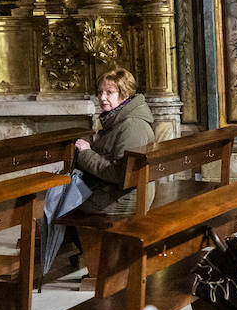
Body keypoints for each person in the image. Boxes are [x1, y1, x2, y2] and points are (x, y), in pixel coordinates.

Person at [36, 68, 156, 276]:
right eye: (100, 92)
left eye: (109, 93)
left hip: (126, 197)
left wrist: (85, 153)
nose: (102, 98)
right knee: (59, 199)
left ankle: (100, 265)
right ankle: (89, 257)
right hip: (125, 192)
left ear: (125, 93)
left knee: (59, 204)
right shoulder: (121, 118)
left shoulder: (131, 125)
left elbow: (118, 174)